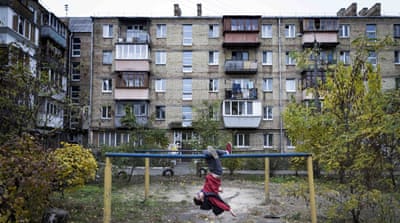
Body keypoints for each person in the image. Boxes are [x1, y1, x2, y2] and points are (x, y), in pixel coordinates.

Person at [193, 146, 236, 217]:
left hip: (212, 170)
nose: (198, 193)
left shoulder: (204, 191)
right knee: (212, 151)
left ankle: (224, 152)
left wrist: (218, 188)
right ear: (202, 199)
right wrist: (229, 209)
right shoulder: (210, 197)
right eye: (198, 196)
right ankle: (226, 152)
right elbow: (219, 202)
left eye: (197, 194)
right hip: (217, 171)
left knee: (206, 153)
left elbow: (211, 185)